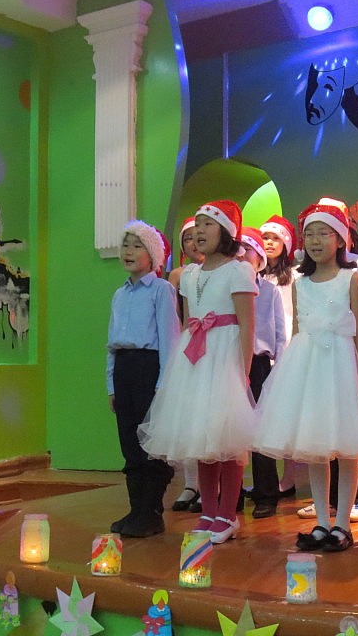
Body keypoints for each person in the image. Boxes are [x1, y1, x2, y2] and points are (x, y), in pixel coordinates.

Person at [139, 200, 258, 544]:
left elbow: (247, 324)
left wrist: (243, 370)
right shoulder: (189, 275)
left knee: (227, 439)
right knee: (202, 437)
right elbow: (189, 321)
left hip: (224, 357)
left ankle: (228, 514)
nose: (200, 231)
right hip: (195, 359)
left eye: (208, 224)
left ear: (227, 232)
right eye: (197, 225)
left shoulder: (239, 270)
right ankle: (208, 510)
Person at [253, 203, 358, 551]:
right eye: (310, 234)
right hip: (309, 367)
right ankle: (321, 520)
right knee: (316, 447)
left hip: (342, 366)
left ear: (341, 239)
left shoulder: (350, 278)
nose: (316, 241)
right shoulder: (301, 283)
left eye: (324, 233)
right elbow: (297, 330)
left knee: (347, 450)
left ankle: (343, 522)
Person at [105, 220, 181, 537]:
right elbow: (111, 343)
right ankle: (136, 509)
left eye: (138, 246)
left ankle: (151, 511)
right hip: (124, 369)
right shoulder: (119, 294)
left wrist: (164, 385)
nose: (129, 251)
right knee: (130, 443)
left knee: (152, 444)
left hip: (148, 368)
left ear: (153, 255)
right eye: (126, 245)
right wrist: (111, 384)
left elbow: (170, 339)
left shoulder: (161, 290)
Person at [238, 227, 287, 519]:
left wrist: (279, 368)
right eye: (238, 250)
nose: (242, 255)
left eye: (248, 250)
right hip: (231, 360)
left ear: (260, 258)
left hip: (259, 363)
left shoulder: (269, 291)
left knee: (261, 429)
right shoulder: (228, 287)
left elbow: (279, 332)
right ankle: (230, 495)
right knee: (230, 427)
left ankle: (266, 493)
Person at [260, 214, 301, 498]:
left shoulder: (294, 275)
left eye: (275, 238)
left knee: (286, 415)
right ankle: (266, 477)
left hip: (287, 345)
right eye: (265, 238)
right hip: (264, 345)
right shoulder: (256, 276)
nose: (269, 243)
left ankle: (289, 477)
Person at [167, 216, 203, 514]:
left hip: (215, 345)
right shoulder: (179, 275)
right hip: (187, 345)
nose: (194, 242)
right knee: (188, 418)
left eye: (198, 235)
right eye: (187, 238)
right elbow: (176, 316)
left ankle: (214, 486)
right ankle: (191, 483)